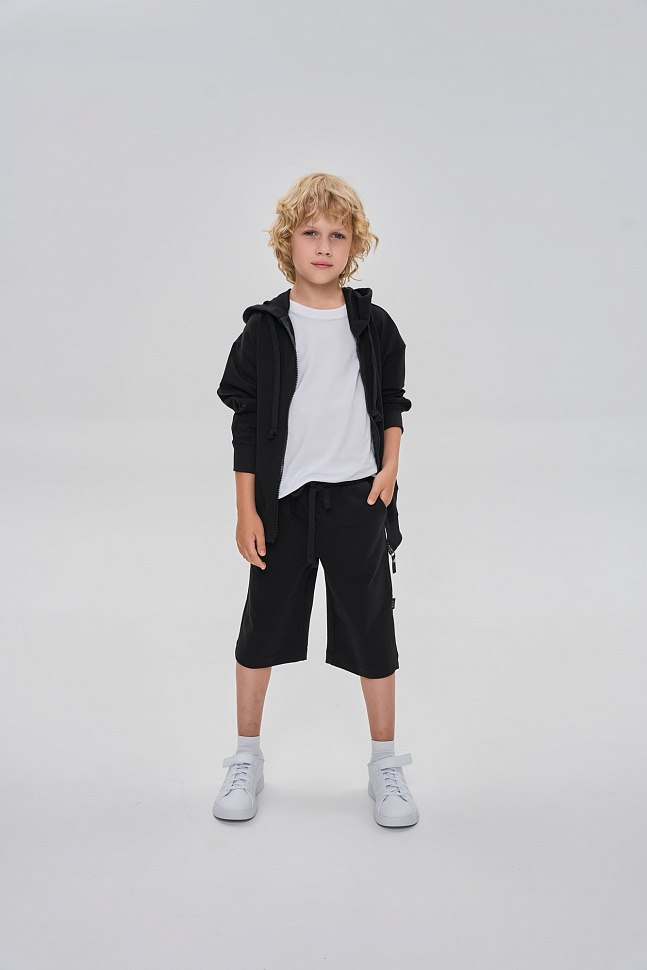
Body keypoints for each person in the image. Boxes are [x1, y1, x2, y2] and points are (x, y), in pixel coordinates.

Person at [213, 172, 418, 827]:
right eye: (310, 233)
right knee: (261, 629)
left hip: (357, 501)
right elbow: (246, 421)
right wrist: (246, 508)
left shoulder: (373, 325)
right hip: (283, 504)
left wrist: (388, 470)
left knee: (372, 629)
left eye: (338, 234)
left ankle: (384, 764)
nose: (324, 246)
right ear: (288, 242)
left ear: (354, 244)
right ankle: (246, 756)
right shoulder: (264, 329)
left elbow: (391, 402)